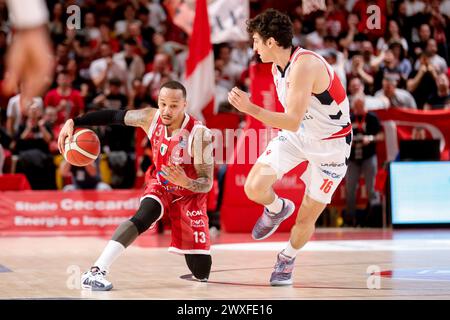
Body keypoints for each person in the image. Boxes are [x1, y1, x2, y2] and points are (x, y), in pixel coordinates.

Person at [227, 9, 352, 286]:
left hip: (330, 147)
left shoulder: (305, 65)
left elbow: (292, 120)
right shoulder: (276, 67)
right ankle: (276, 208)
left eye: (257, 41)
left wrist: (251, 109)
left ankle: (287, 257)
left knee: (306, 216)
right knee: (254, 187)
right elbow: (295, 124)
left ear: (271, 42)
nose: (254, 47)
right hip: (301, 135)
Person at [58, 81, 214, 290]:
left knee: (201, 273)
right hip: (163, 183)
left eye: (174, 105)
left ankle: (195, 254)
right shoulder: (151, 118)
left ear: (185, 105)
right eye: (163, 103)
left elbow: (206, 182)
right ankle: (96, 271)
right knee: (144, 214)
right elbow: (114, 116)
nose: (167, 110)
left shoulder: (199, 134)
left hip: (189, 195)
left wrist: (186, 182)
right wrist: (75, 121)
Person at [345, 95, 384, 227]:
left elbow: (381, 135)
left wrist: (370, 138)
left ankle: (375, 219)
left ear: (364, 105)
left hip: (368, 157)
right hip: (353, 159)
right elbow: (343, 136)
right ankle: (350, 219)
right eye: (356, 106)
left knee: (372, 188)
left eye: (360, 106)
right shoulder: (349, 119)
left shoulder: (372, 118)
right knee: (350, 189)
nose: (358, 109)